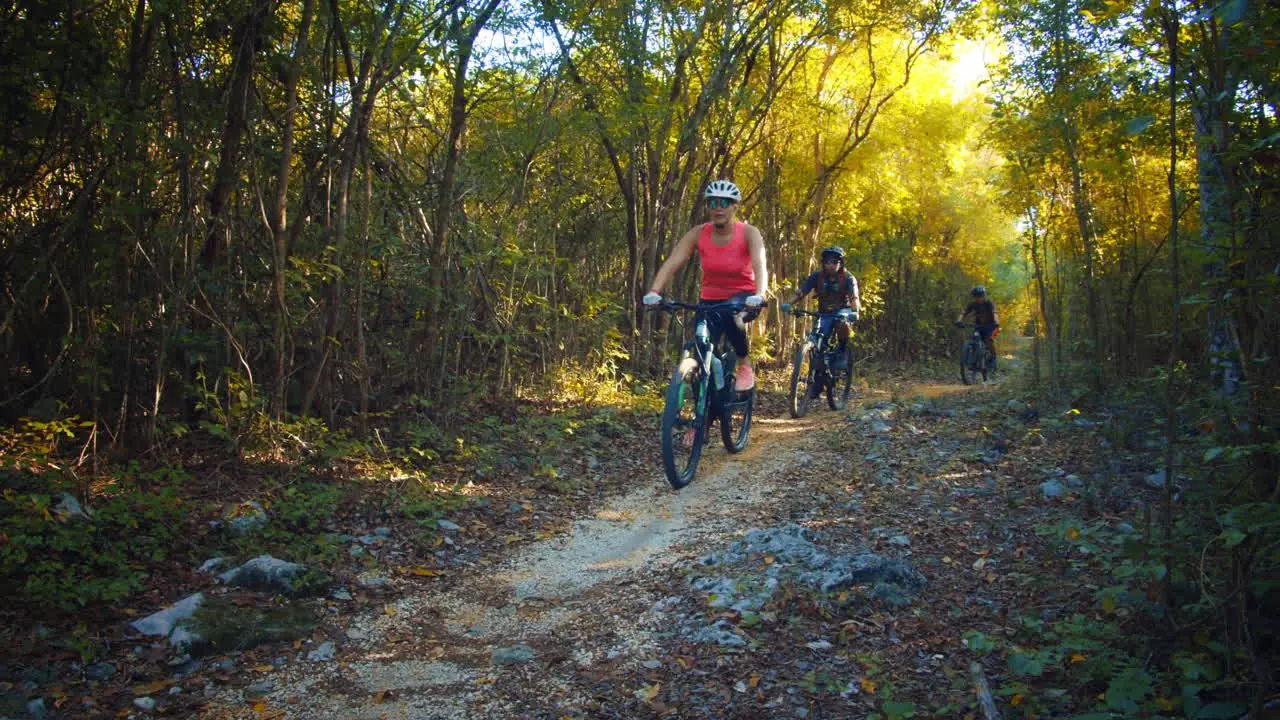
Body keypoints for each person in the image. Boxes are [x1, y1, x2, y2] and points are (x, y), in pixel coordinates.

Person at [642, 180, 768, 391]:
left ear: (735, 206)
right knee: (701, 343)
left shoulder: (748, 233)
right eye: (713, 203)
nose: (718, 207)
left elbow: (760, 263)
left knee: (734, 319)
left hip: (743, 297)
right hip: (710, 300)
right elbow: (673, 262)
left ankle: (744, 364)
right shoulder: (698, 233)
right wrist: (654, 291)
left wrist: (760, 294)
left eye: (724, 203)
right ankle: (702, 416)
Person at [780, 246, 861, 365]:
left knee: (842, 322)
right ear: (823, 263)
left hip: (843, 309)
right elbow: (801, 291)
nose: (831, 265)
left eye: (834, 262)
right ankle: (817, 373)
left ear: (840, 263)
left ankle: (842, 350)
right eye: (827, 262)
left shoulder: (848, 278)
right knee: (818, 339)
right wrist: (788, 304)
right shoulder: (817, 276)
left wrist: (855, 311)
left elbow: (854, 297)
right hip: (824, 312)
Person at [956, 285, 1000, 368]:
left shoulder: (989, 303)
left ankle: (993, 357)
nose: (979, 298)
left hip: (990, 326)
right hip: (978, 325)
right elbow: (964, 312)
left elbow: (994, 312)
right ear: (974, 296)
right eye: (977, 296)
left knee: (988, 340)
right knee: (974, 338)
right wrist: (959, 321)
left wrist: (996, 322)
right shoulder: (973, 304)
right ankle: (974, 359)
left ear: (984, 295)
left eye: (980, 296)